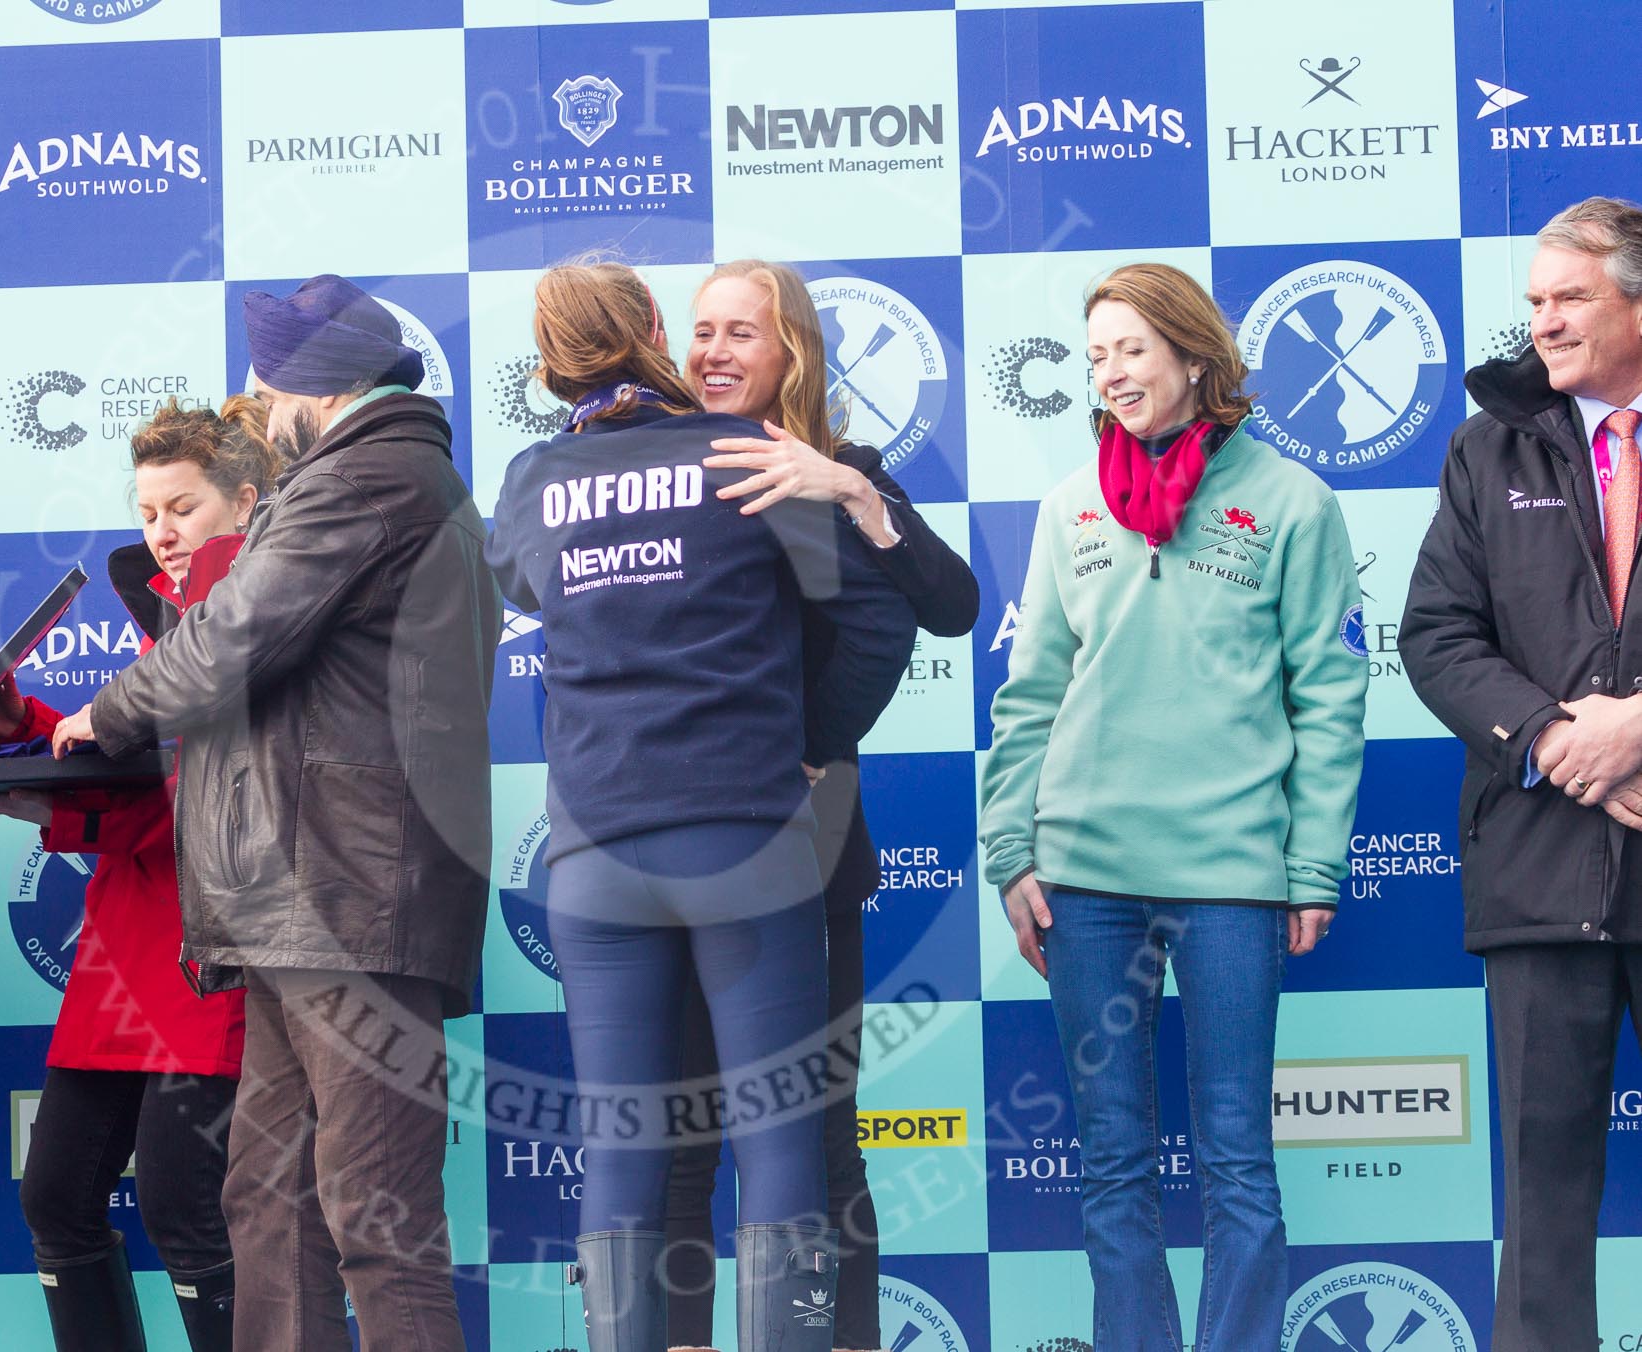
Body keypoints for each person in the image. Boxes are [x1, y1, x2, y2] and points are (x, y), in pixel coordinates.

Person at [51, 274, 497, 1352]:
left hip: (351, 901)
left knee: (376, 1222)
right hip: (309, 901)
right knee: (271, 1207)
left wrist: (102, 714)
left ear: (319, 385)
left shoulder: (368, 477)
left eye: (269, 384)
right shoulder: (375, 475)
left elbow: (226, 642)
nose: (260, 405)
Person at [485, 260, 918, 1352]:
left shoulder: (539, 476)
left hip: (593, 849)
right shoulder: (744, 455)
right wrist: (814, 742)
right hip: (745, 835)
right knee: (777, 1139)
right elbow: (880, 618)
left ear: (548, 354)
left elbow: (522, 583)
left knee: (624, 1145)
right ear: (656, 332)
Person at [977, 262, 1366, 1351]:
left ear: (1195, 358)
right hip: (1085, 877)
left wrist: (1312, 866)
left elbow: (1330, 699)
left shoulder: (1292, 500)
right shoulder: (1071, 506)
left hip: (1234, 875)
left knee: (1238, 1151)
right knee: (1112, 1156)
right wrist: (1013, 849)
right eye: (1097, 356)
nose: (1111, 375)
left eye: (1132, 350)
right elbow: (1032, 692)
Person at [661, 259, 979, 1352]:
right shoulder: (657, 469)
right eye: (701, 329)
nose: (713, 350)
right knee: (680, 1134)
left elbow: (946, 609)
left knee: (819, 1134)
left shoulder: (847, 470)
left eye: (740, 331)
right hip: (675, 852)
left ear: (792, 349)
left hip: (808, 847)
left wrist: (850, 492)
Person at [0, 398, 275, 1352]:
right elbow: (133, 769)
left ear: (246, 504)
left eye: (183, 508)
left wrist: (38, 792)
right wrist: (15, 729)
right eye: (146, 513)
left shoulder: (271, 614)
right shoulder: (163, 622)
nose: (163, 533)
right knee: (55, 1195)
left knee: (186, 1204)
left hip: (212, 953)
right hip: (124, 953)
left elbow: (202, 798)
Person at [1402, 195, 1642, 1352]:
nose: (1542, 323)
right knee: (1542, 1206)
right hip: (1541, 870)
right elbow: (1437, 636)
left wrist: (1639, 725)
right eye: (1534, 300)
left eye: (1570, 298)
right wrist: (1559, 740)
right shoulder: (1486, 445)